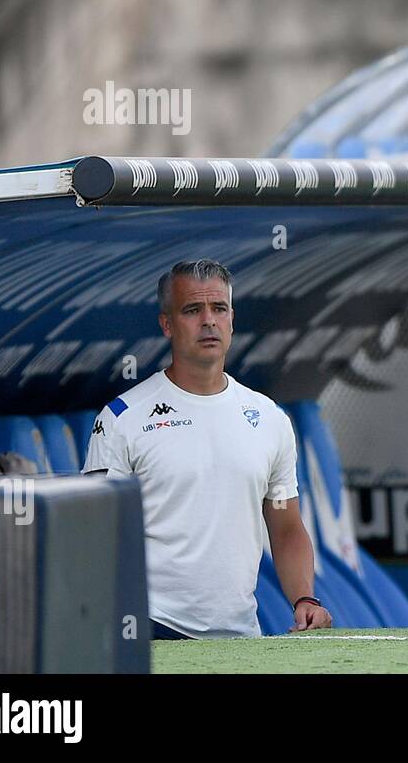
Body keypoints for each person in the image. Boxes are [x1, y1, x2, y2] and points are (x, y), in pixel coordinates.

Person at [83, 260, 331, 639]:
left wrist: (305, 600)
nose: (208, 321)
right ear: (167, 324)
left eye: (219, 309)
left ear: (232, 318)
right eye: (192, 310)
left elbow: (285, 528)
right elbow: (95, 540)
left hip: (241, 635)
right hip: (152, 631)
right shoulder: (122, 419)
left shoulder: (269, 418)